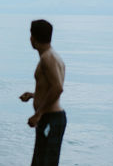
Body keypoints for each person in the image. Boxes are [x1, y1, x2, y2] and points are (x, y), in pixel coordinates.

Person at [20, 19, 67, 166]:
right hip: (50, 119)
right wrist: (34, 95)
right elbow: (52, 87)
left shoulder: (48, 58)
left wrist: (38, 114)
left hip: (50, 119)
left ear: (33, 38)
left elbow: (58, 88)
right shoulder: (52, 56)